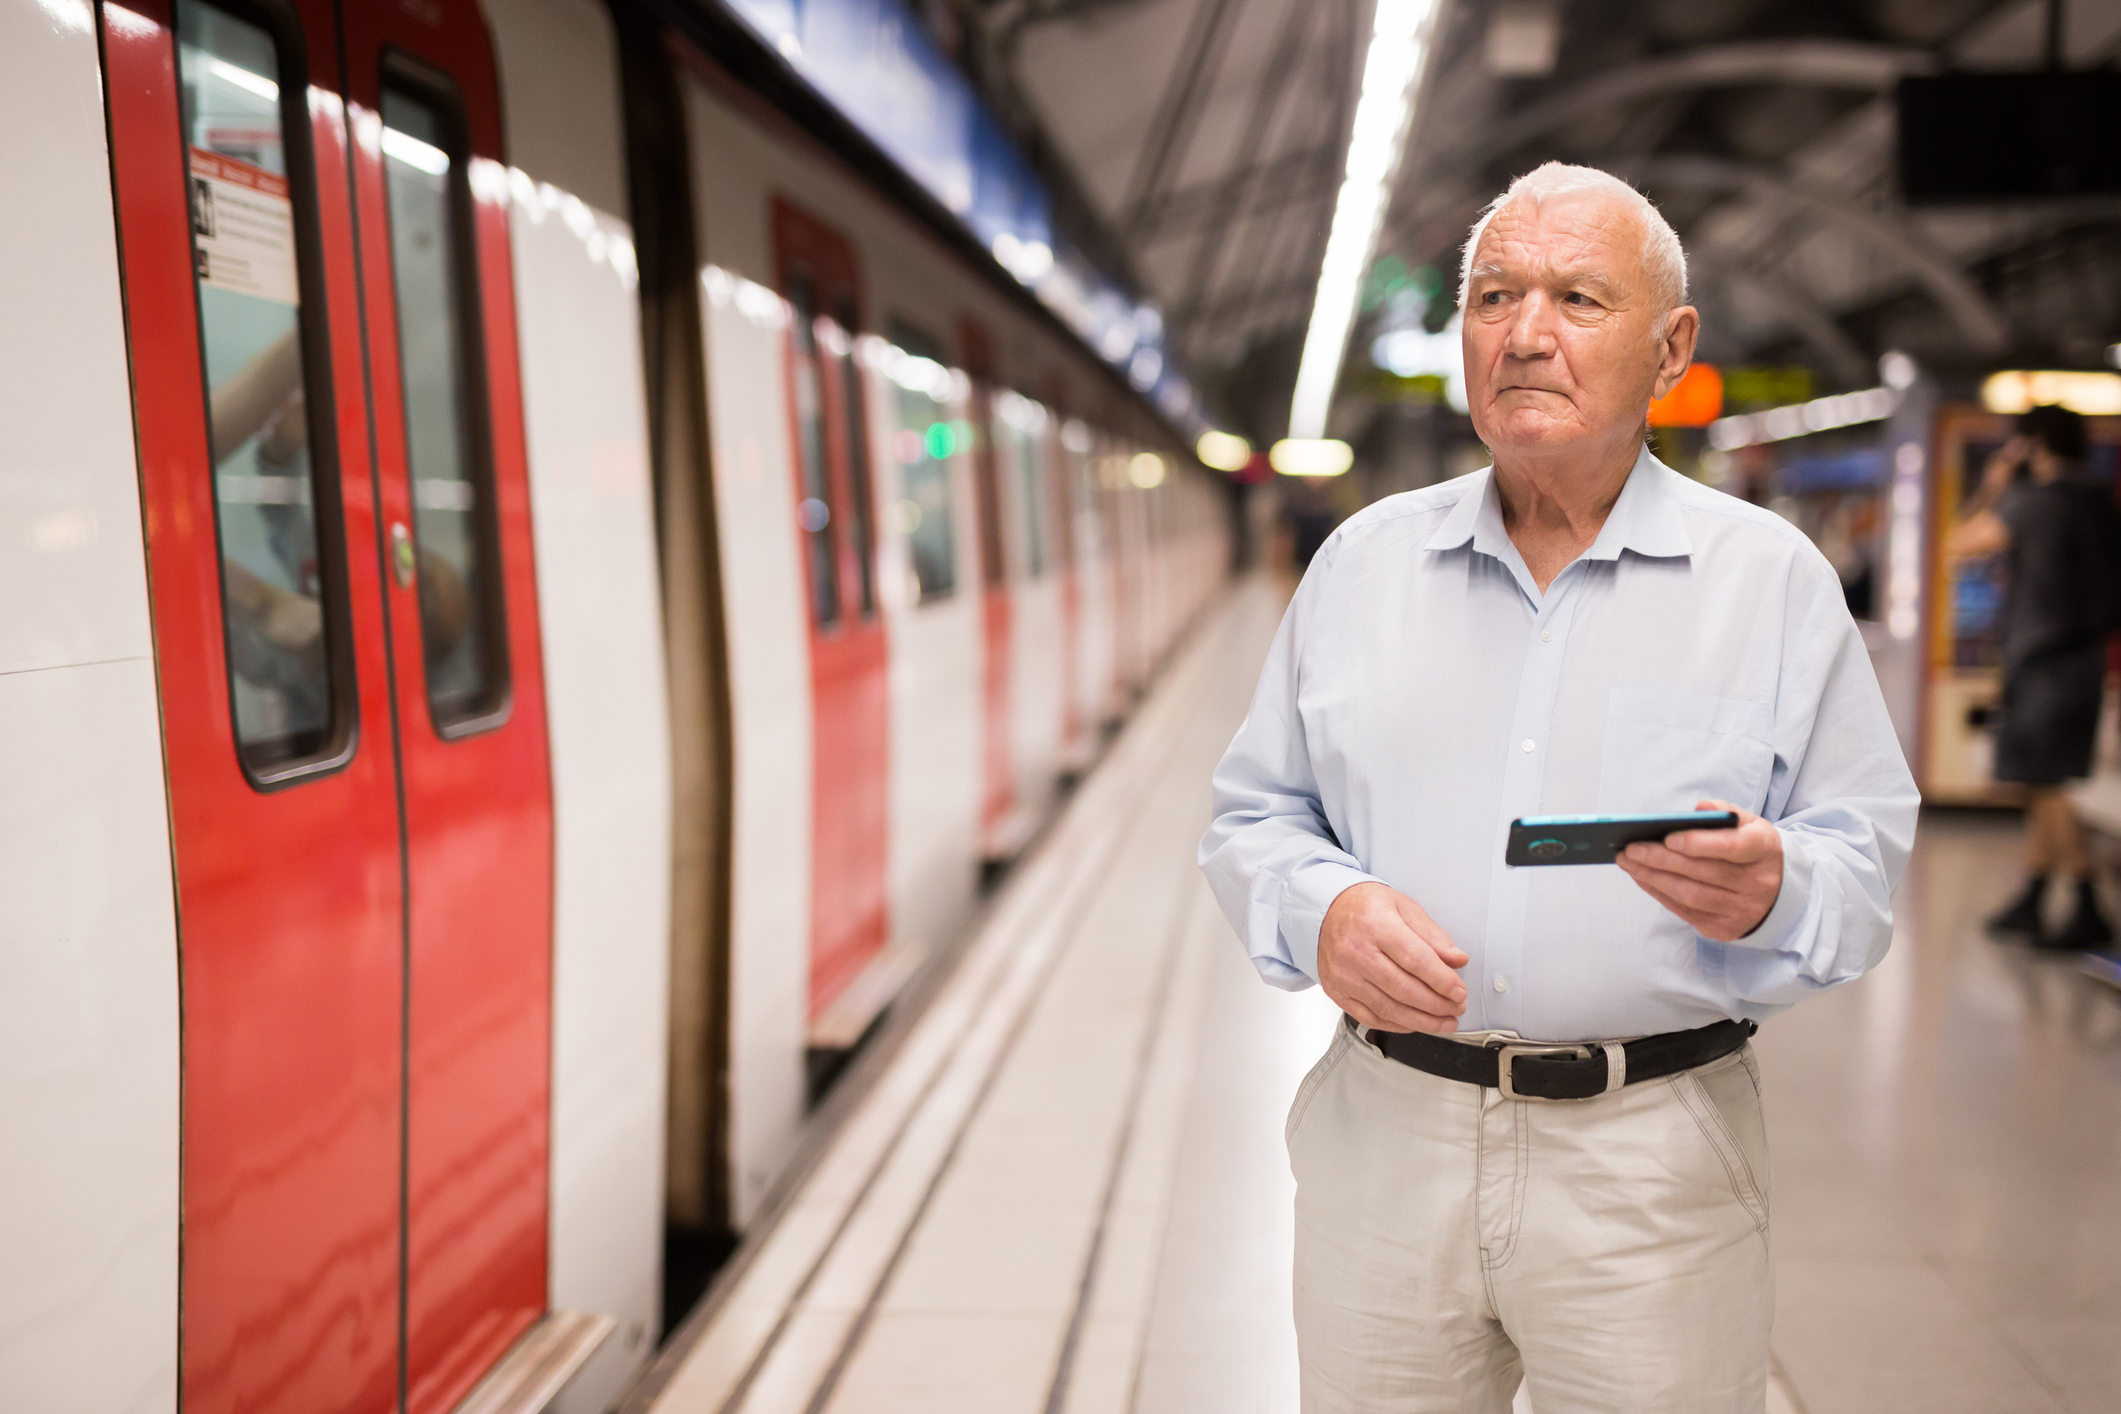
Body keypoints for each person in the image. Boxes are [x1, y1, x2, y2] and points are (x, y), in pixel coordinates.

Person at [1198, 162, 1919, 1414]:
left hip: (1654, 1155)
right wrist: (1322, 910)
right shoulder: (1363, 566)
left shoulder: (1770, 584)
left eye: (1579, 298)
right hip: (1388, 1132)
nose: (1525, 334)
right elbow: (1256, 814)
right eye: (1493, 296)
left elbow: (1863, 869)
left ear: (1669, 348)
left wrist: (1777, 889)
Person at [1948, 405, 2120, 950]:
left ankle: (2087, 900)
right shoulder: (2096, 501)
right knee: (2046, 782)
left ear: (2032, 445)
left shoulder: (2032, 502)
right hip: (2084, 662)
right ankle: (2034, 894)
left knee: (2047, 785)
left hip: (2040, 662)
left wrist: (1994, 484)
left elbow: (1957, 544)